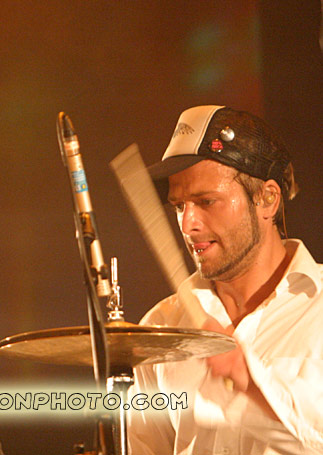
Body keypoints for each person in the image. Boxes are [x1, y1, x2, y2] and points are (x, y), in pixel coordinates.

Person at [127, 105, 322, 454]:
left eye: (206, 201)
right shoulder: (160, 328)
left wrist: (250, 382)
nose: (188, 224)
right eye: (179, 206)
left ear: (268, 199)